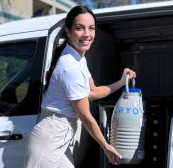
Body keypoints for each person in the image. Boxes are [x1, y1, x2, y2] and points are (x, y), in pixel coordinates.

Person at [24, 6, 136, 168]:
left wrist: (121, 82)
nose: (87, 34)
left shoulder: (78, 59)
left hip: (59, 137)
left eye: (91, 28)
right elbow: (85, 116)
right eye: (79, 28)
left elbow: (93, 91)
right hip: (49, 140)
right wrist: (105, 146)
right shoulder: (70, 67)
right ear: (68, 32)